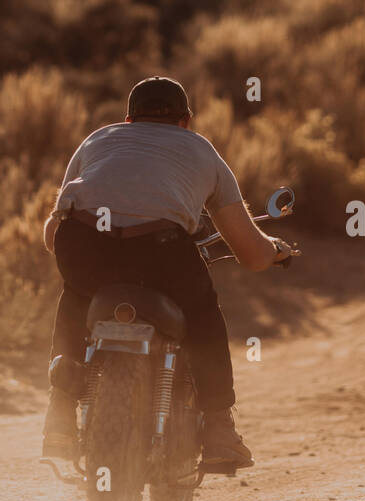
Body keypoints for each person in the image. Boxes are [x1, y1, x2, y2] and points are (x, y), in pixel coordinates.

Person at [41, 76, 296, 468]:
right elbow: (249, 252)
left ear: (128, 119)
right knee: (202, 313)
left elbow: (51, 234)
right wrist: (276, 252)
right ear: (186, 121)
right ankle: (217, 429)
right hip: (159, 250)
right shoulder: (201, 150)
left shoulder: (98, 140)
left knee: (76, 295)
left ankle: (59, 414)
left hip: (84, 244)